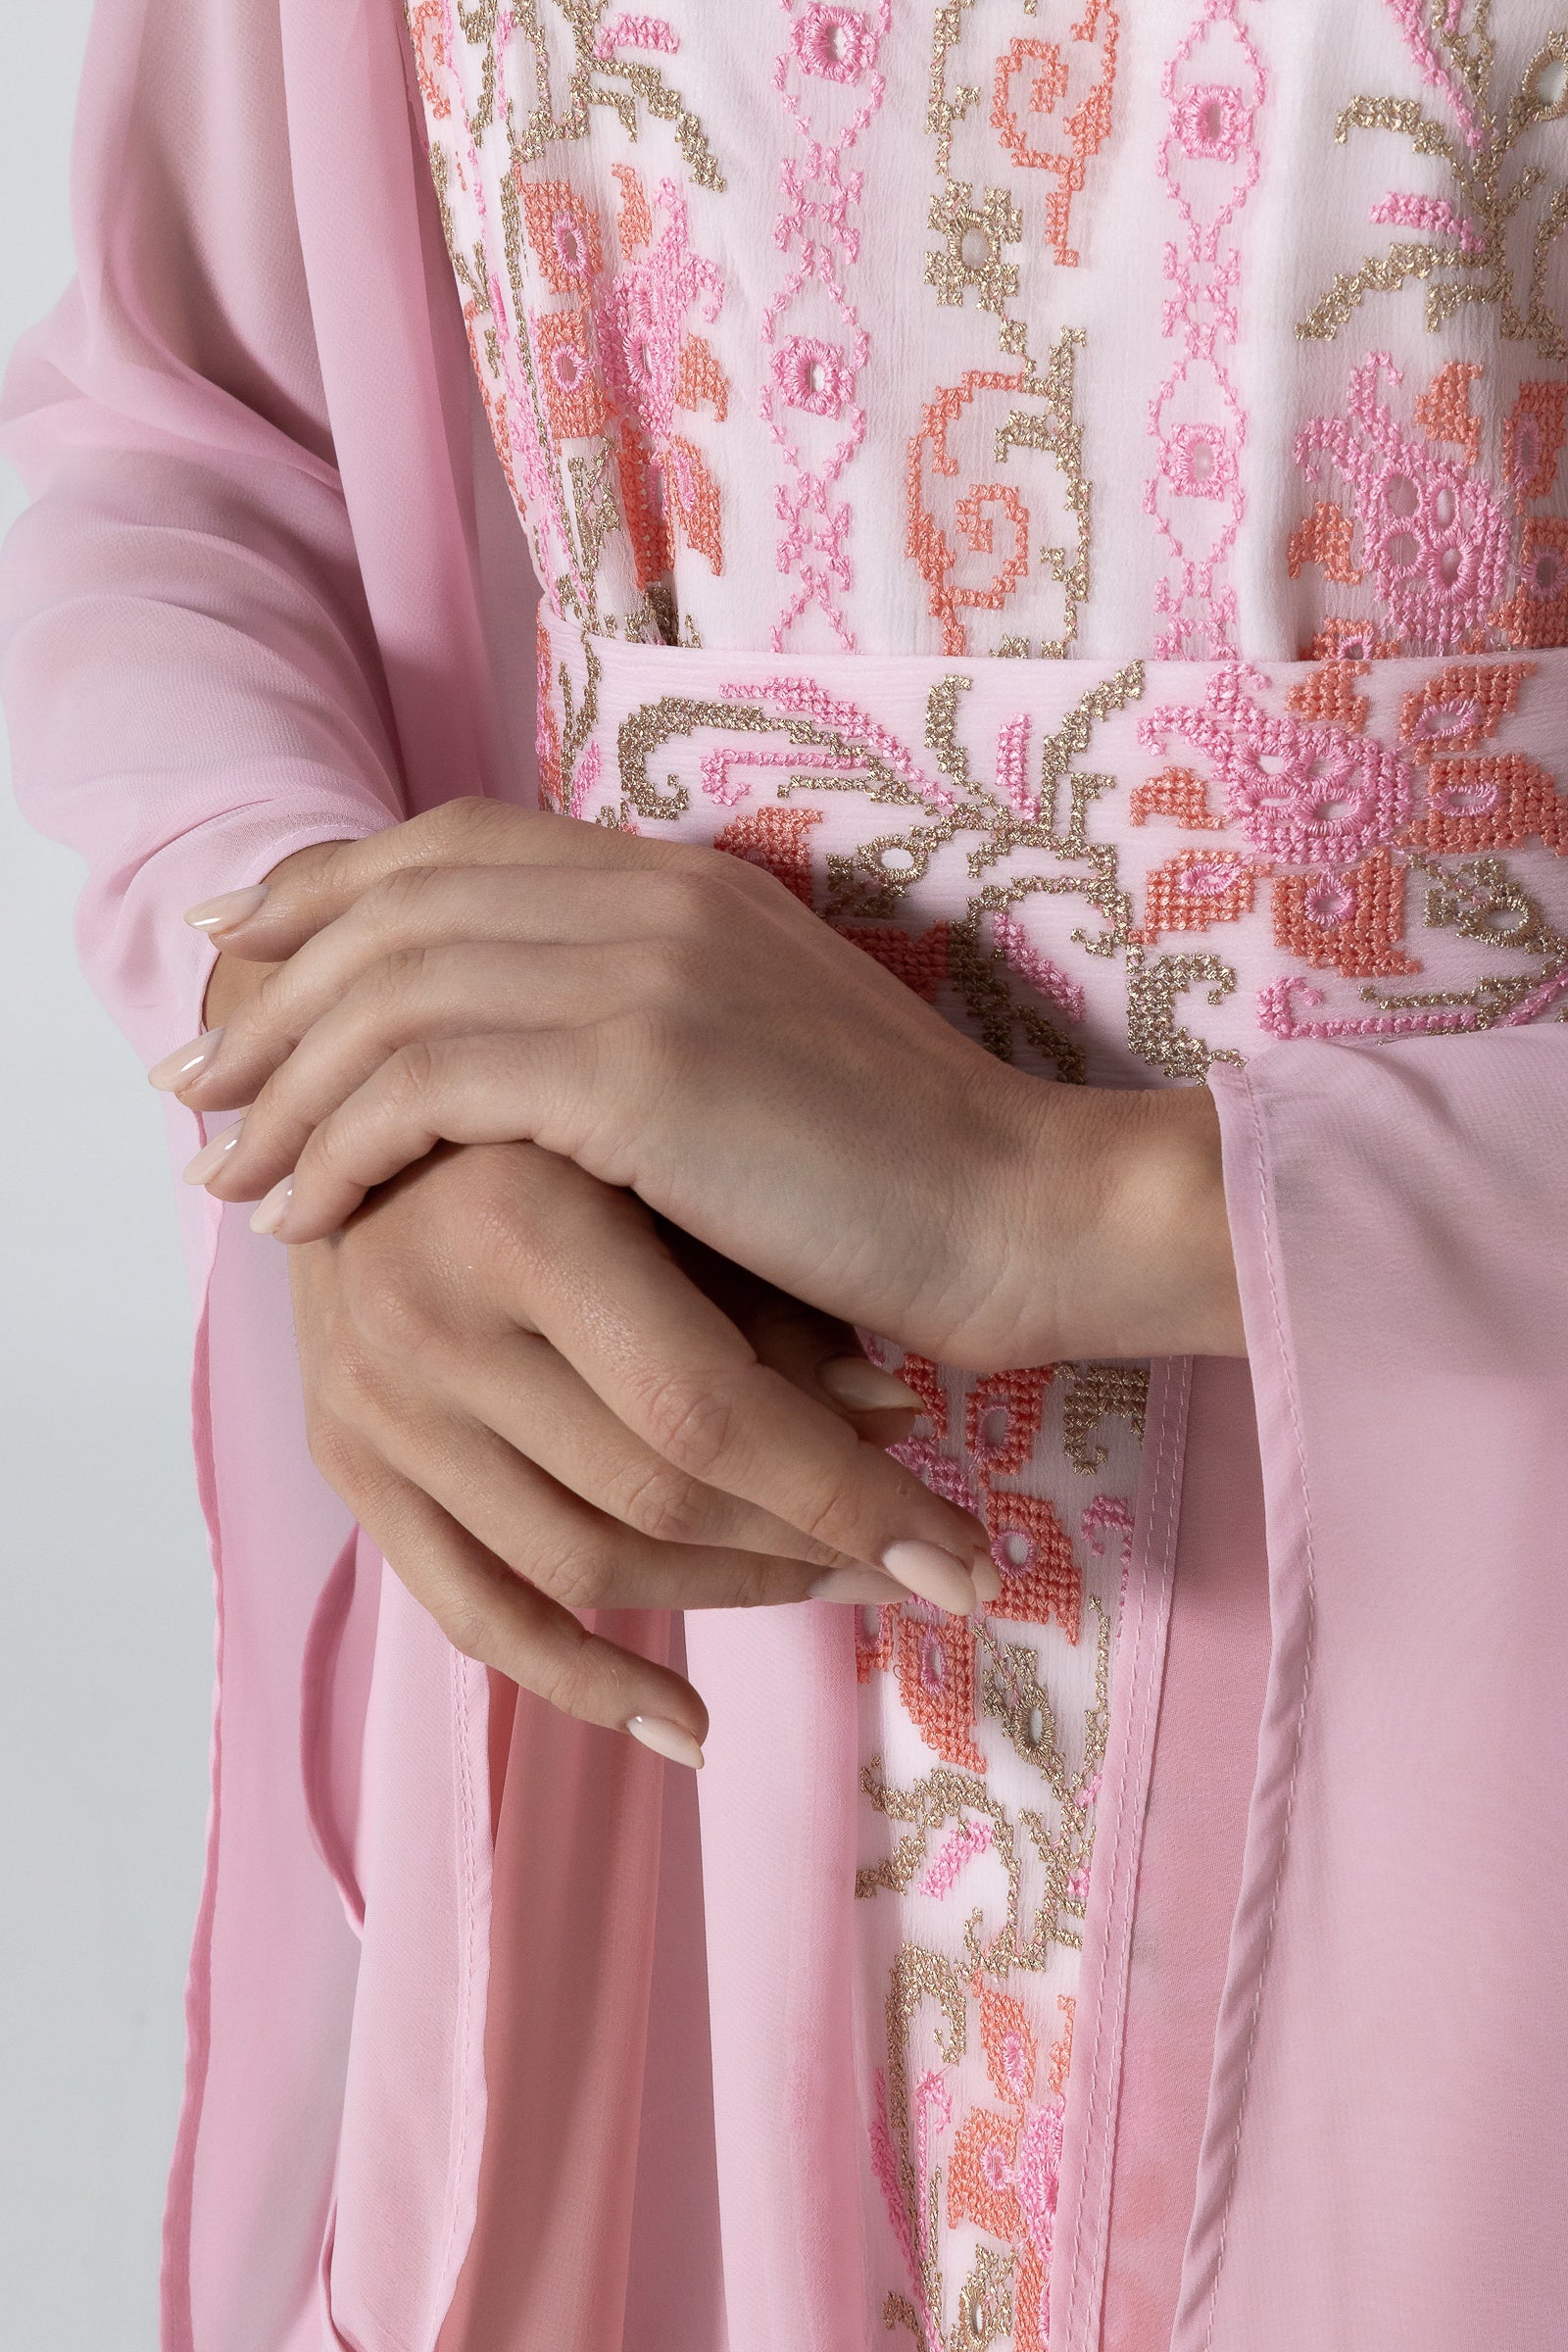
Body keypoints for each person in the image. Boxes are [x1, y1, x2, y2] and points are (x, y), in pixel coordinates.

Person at [5, 2, 1568, 2345]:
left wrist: (1070, 1206)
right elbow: (206, 437)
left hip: (1474, 1591)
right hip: (677, 1544)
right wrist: (362, 1074)